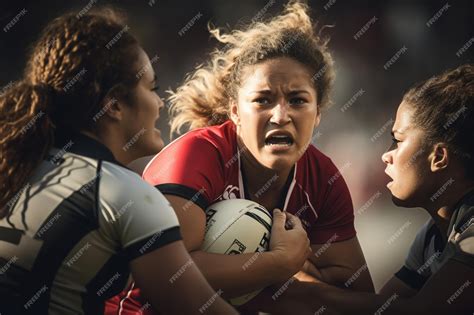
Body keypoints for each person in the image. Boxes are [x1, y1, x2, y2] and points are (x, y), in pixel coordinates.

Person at [107, 1, 374, 314]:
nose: (280, 115)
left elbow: (355, 293)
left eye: (298, 100)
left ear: (318, 114)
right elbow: (170, 274)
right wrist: (281, 263)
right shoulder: (196, 155)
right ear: (234, 111)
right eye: (263, 99)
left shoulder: (323, 179)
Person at [0, 8, 236, 315]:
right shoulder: (124, 194)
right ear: (113, 106)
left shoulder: (14, 161)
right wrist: (282, 260)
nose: (161, 102)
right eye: (152, 88)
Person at [256, 64, 474, 314]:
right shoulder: (434, 234)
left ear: (439, 158)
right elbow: (383, 307)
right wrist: (299, 272)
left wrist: (304, 288)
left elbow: (420, 312)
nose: (386, 156)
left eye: (398, 141)